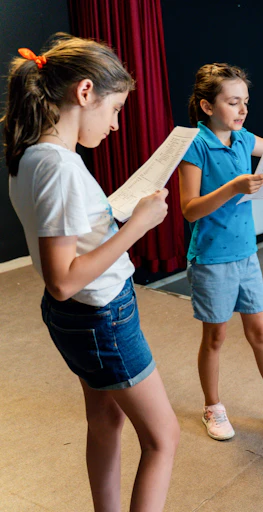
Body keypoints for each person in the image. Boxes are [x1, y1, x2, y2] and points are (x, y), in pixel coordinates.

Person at [5, 34, 179, 511]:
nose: (117, 125)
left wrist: (110, 217)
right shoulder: (59, 166)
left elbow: (68, 243)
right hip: (101, 315)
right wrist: (138, 226)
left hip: (80, 317)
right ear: (85, 93)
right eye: (116, 109)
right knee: (164, 439)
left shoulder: (34, 154)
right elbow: (62, 278)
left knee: (105, 421)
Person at [178, 63, 263, 441]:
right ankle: (213, 406)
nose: (241, 111)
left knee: (261, 334)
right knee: (216, 338)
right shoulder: (195, 145)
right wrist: (235, 187)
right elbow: (189, 209)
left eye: (246, 103)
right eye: (232, 103)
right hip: (211, 258)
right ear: (207, 107)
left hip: (246, 254)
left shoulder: (242, 139)